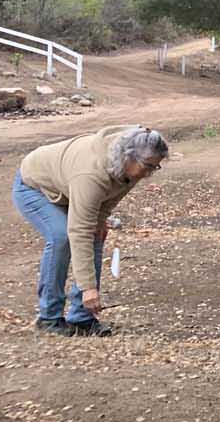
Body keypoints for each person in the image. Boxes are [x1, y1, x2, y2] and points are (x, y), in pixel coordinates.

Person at [11, 125, 169, 337]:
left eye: (155, 167)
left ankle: (82, 317)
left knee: (97, 234)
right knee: (62, 237)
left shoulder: (130, 168)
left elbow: (108, 198)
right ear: (128, 156)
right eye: (147, 166)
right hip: (34, 186)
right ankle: (49, 317)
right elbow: (79, 230)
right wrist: (89, 288)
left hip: (70, 188)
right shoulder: (91, 173)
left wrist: (100, 220)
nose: (149, 173)